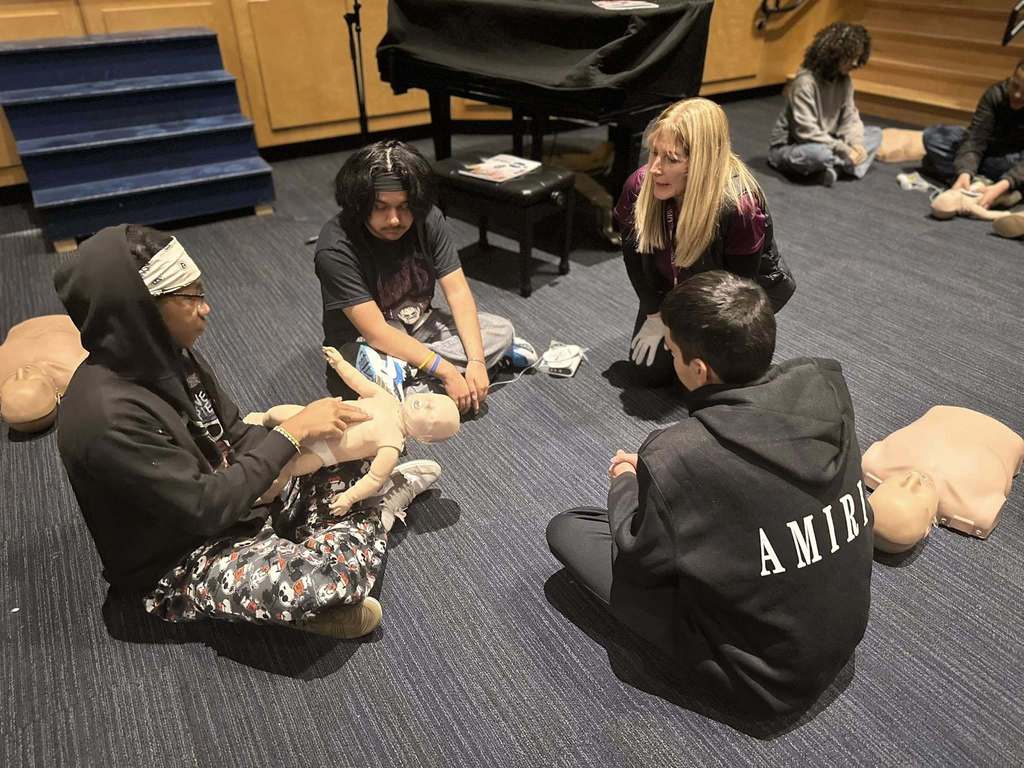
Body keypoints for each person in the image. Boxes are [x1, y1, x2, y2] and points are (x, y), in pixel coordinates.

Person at [55, 224, 438, 639]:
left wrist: (303, 450)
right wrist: (290, 436)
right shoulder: (107, 417)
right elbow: (206, 507)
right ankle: (366, 527)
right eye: (191, 297)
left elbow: (235, 434)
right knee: (318, 582)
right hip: (181, 558)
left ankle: (337, 535)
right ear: (141, 309)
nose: (206, 308)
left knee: (356, 450)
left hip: (240, 503)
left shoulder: (175, 359)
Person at [546, 271, 873, 718]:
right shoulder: (827, 386)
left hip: (768, 678)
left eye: (674, 353)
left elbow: (638, 557)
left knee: (570, 528)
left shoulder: (678, 452)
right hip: (843, 632)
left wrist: (625, 479)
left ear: (698, 369)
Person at [315, 140, 515, 414]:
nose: (395, 219)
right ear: (359, 203)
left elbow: (457, 292)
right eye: (381, 207)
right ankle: (427, 380)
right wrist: (445, 371)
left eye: (405, 206)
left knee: (502, 330)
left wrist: (478, 361)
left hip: (420, 323)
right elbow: (376, 332)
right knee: (359, 367)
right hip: (365, 343)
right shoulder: (335, 247)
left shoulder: (428, 219)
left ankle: (408, 380)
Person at [615, 97, 796, 387]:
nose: (655, 169)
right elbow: (632, 255)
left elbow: (737, 293)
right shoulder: (639, 186)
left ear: (702, 162)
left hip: (726, 299)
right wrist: (655, 314)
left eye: (671, 159)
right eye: (653, 153)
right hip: (671, 288)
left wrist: (694, 338)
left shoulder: (739, 207)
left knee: (710, 383)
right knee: (646, 374)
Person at [245, 345, 460, 520]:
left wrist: (349, 497)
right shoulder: (388, 399)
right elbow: (360, 383)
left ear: (425, 439)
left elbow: (374, 479)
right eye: (431, 399)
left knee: (288, 467)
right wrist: (340, 364)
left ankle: (268, 495)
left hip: (323, 452)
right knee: (278, 414)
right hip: (314, 418)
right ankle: (263, 418)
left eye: (432, 417)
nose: (426, 403)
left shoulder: (392, 446)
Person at [768, 22, 882, 186]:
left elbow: (850, 118)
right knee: (818, 154)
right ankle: (841, 166)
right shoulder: (805, 82)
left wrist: (855, 144)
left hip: (830, 141)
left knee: (875, 133)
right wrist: (844, 150)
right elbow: (805, 132)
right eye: (852, 56)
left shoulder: (845, 81)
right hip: (794, 146)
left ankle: (833, 169)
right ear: (835, 53)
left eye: (859, 57)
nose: (856, 63)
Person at [922, 59, 1024, 210]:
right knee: (932, 137)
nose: (1016, 95)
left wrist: (1005, 183)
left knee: (930, 163)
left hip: (1015, 161)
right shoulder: (995, 94)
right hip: (989, 152)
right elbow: (975, 139)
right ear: (1012, 76)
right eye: (1015, 85)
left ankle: (1002, 188)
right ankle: (983, 184)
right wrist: (965, 172)